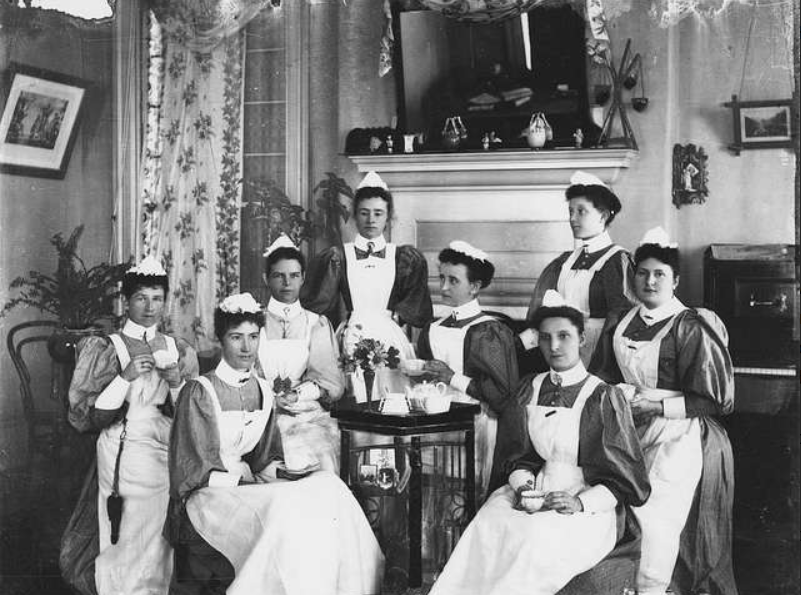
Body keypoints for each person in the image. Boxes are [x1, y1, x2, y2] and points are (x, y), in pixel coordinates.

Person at [429, 290, 649, 595]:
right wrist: (524, 487)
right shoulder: (528, 389)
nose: (554, 346)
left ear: (582, 339)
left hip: (588, 501)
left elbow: (624, 479)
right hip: (536, 487)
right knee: (491, 521)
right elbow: (517, 456)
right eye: (545, 338)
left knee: (535, 535)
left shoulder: (602, 396)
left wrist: (579, 502)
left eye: (564, 336)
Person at [166, 292, 384, 595]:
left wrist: (288, 474)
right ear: (220, 339)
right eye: (236, 337)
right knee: (283, 508)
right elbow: (192, 470)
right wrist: (252, 486)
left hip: (248, 487)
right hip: (209, 494)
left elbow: (263, 458)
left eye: (253, 337)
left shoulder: (263, 391)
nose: (246, 347)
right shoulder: (200, 391)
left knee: (327, 486)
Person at [590, 227, 736, 595]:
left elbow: (716, 400)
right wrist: (621, 400)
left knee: (654, 516)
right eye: (642, 273)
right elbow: (603, 375)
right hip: (627, 428)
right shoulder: (621, 320)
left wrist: (655, 405)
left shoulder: (691, 325)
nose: (649, 281)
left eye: (659, 274)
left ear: (676, 280)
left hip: (679, 433)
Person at [66, 256, 199, 595]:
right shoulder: (108, 346)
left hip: (166, 444)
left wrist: (175, 383)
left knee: (160, 531)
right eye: (141, 298)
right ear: (126, 301)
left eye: (157, 298)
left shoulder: (175, 347)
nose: (150, 306)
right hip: (123, 442)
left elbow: (188, 412)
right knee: (125, 530)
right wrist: (124, 378)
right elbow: (92, 416)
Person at [300, 170, 432, 394]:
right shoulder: (339, 256)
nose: (371, 220)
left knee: (393, 396)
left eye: (378, 213)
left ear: (388, 217)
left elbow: (416, 306)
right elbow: (317, 303)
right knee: (357, 396)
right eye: (364, 213)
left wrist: (396, 317)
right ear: (354, 215)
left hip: (390, 336)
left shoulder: (401, 257)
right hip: (353, 334)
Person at [417, 241, 519, 499]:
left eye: (453, 281)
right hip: (435, 417)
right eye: (441, 278)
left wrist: (452, 377)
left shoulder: (488, 331)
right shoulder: (434, 327)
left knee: (463, 493)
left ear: (474, 287)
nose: (443, 287)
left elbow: (502, 393)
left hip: (476, 422)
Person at [522, 170, 635, 366]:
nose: (572, 219)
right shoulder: (564, 261)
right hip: (561, 344)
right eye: (570, 211)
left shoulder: (617, 261)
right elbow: (540, 308)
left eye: (581, 211)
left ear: (603, 216)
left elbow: (623, 318)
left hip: (598, 350)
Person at [256, 234, 344, 472]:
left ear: (303, 278)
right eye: (278, 276)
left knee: (318, 456)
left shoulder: (315, 323)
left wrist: (297, 396)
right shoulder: (253, 321)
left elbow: (328, 381)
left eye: (294, 276)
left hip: (303, 410)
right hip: (260, 410)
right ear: (266, 278)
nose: (287, 283)